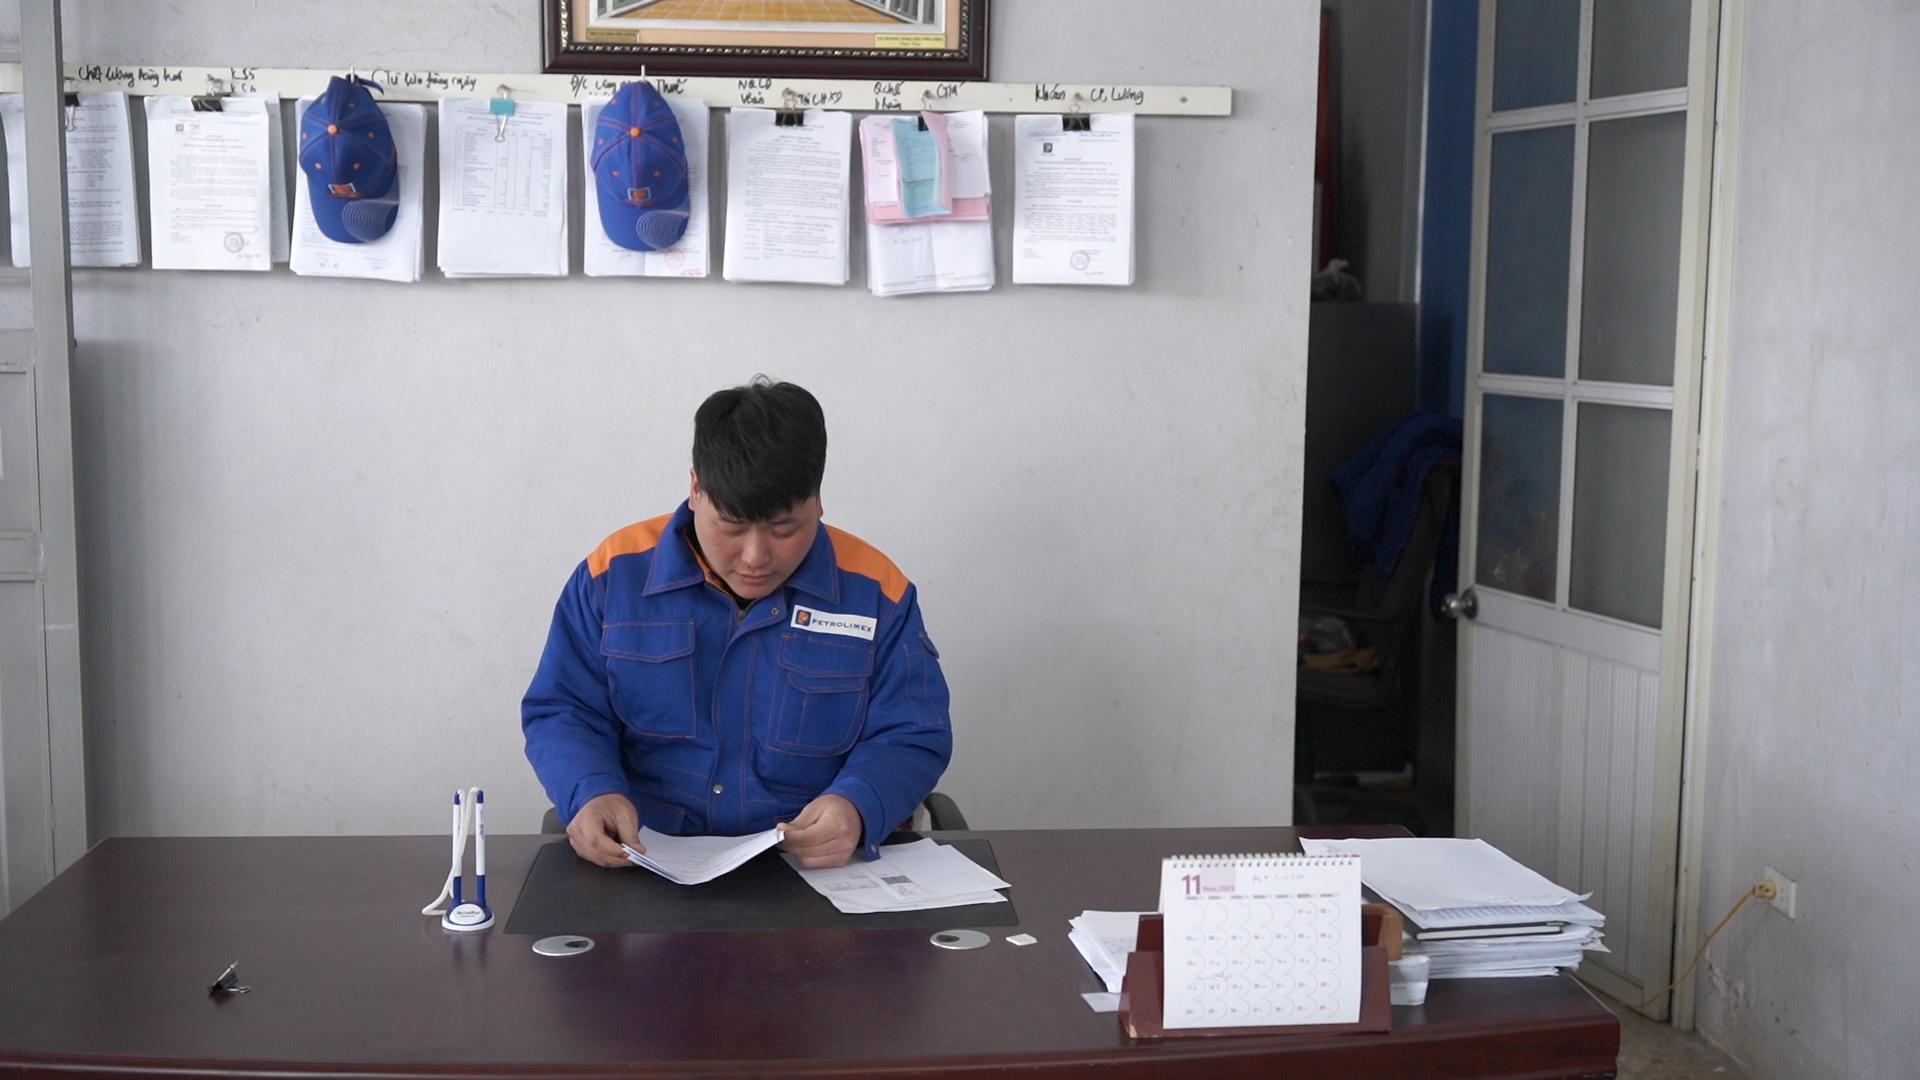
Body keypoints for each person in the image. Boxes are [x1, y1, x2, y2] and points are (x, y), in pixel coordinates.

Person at [522, 378, 952, 870]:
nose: (754, 557)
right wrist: (590, 790)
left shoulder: (876, 592)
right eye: (731, 527)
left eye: (784, 529)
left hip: (810, 868)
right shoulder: (613, 577)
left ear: (817, 501)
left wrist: (858, 803)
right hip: (645, 859)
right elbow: (564, 709)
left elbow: (913, 732)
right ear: (695, 489)